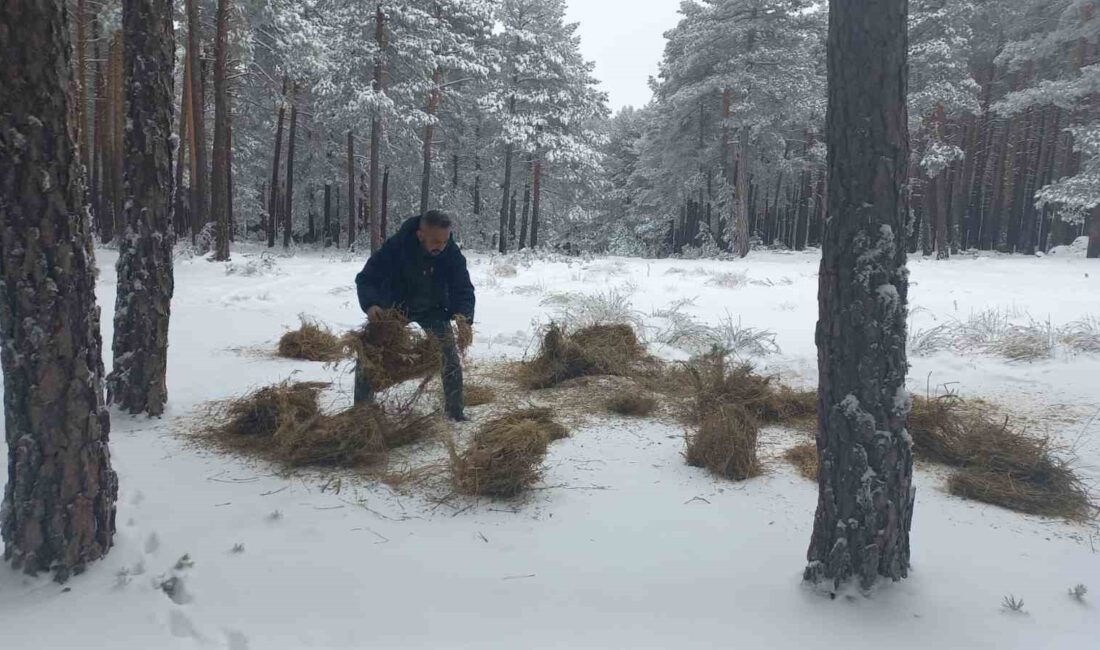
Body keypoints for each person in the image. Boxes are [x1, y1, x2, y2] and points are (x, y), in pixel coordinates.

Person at [354, 210, 475, 421]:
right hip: (396, 308)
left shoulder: (450, 252)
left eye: (445, 241)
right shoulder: (396, 248)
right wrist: (371, 305)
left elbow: (462, 287)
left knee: (450, 358)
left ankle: (455, 413)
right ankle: (361, 413)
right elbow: (366, 278)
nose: (441, 246)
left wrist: (464, 317)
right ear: (420, 235)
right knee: (368, 355)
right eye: (436, 241)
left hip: (434, 308)